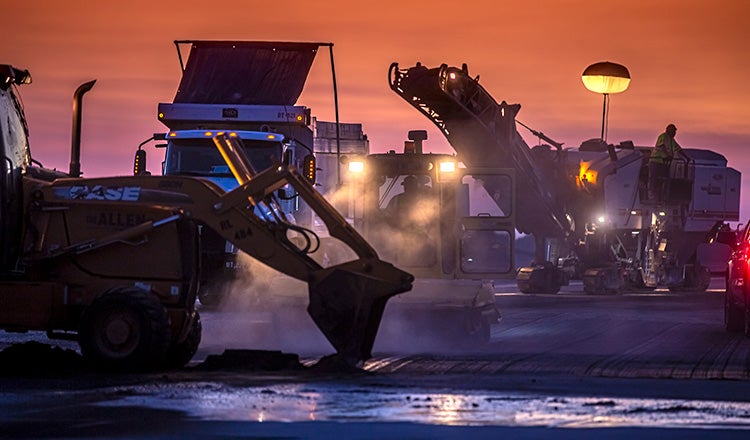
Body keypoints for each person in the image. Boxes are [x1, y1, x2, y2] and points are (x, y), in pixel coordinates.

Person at [648, 123, 686, 202]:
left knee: (665, 180)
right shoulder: (663, 136)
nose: (675, 133)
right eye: (673, 131)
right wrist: (667, 155)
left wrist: (686, 158)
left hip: (664, 163)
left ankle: (663, 196)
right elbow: (662, 146)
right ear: (668, 130)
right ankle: (651, 195)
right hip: (655, 161)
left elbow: (678, 149)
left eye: (675, 131)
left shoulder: (672, 141)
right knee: (653, 179)